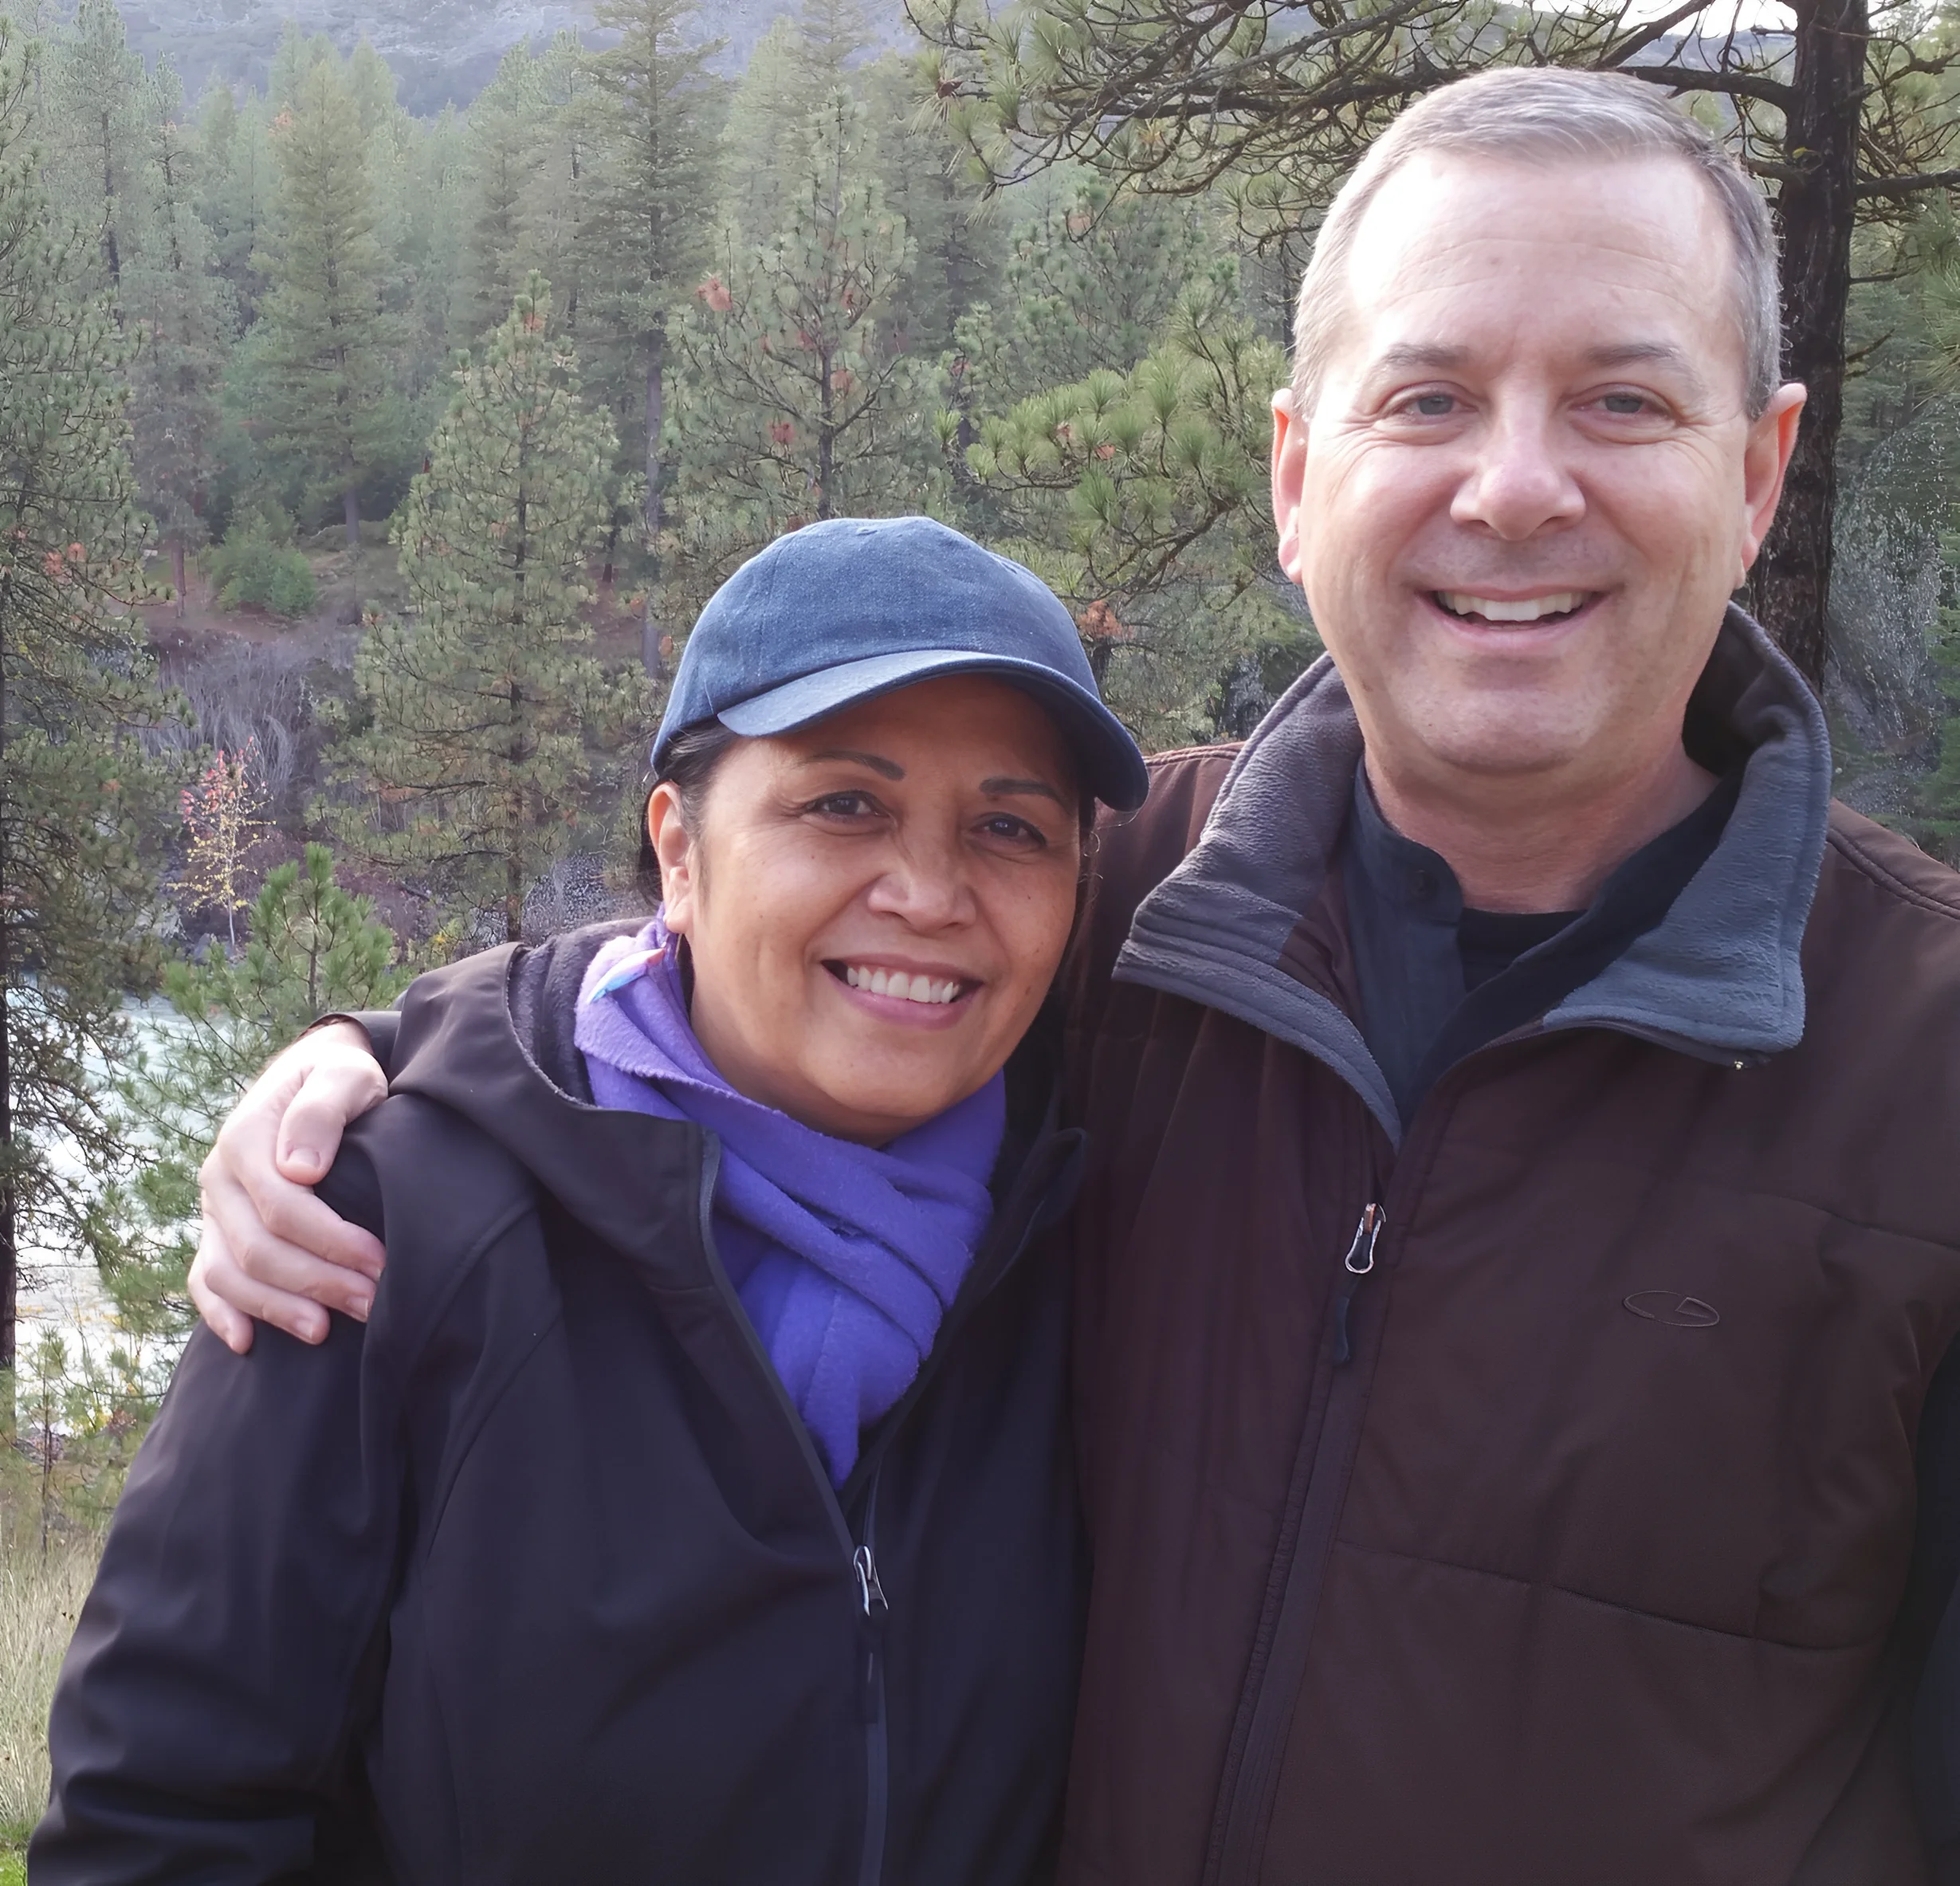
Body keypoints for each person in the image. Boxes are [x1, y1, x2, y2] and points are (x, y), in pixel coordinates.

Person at [179, 67, 1960, 1883]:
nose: (1511, 485)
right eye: (1425, 397)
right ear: (1293, 478)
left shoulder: (1924, 1068)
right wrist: (379, 1050)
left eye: (1620, 399)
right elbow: (735, 970)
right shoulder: (1122, 911)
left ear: (1753, 475)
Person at [32, 516, 1150, 1886]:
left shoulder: (1099, 1227)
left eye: (1009, 827)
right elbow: (165, 1814)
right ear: (678, 848)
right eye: (841, 804)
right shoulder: (382, 1221)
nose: (928, 890)